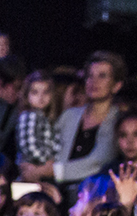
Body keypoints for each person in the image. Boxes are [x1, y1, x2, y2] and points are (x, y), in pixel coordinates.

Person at [43, 52, 126, 184]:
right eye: (90, 76)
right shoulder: (69, 115)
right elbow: (50, 148)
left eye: (102, 76)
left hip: (95, 192)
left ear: (116, 85)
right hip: (56, 188)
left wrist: (52, 171)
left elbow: (98, 163)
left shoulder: (118, 120)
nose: (94, 82)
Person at [11, 70, 62, 180]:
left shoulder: (48, 119)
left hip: (45, 170)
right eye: (35, 92)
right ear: (27, 96)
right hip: (31, 169)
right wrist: (46, 162)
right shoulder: (28, 116)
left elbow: (56, 144)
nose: (41, 97)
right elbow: (29, 146)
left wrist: (54, 161)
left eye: (45, 92)